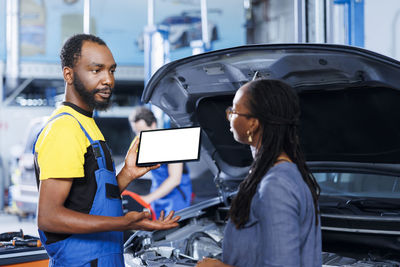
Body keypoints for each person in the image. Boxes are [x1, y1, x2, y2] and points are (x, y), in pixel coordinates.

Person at [33, 34, 180, 267]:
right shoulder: (64, 129)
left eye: (111, 70)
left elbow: (86, 199)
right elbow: (49, 218)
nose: (108, 79)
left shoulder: (87, 125)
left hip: (103, 258)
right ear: (68, 74)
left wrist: (127, 174)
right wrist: (124, 223)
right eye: (96, 70)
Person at [196, 79, 322, 267]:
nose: (229, 117)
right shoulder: (280, 174)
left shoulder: (276, 184)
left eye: (234, 111)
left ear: (253, 124)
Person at [128, 106, 192, 218]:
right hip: (157, 195)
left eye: (141, 131)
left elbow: (175, 179)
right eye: (136, 132)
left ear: (153, 124)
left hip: (176, 197)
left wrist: (148, 198)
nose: (138, 136)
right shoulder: (143, 145)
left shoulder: (172, 142)